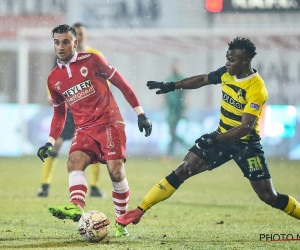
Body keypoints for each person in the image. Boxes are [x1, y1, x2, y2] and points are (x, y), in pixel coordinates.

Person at [116, 37, 300, 228]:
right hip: (221, 137)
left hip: (247, 146)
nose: (228, 63)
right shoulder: (226, 73)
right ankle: (140, 210)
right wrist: (172, 85)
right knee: (184, 169)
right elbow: (203, 79)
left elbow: (245, 128)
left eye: (233, 60)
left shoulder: (257, 88)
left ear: (246, 61)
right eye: (227, 58)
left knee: (268, 196)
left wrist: (214, 140)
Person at [36, 24, 152, 237]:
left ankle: (121, 220)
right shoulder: (53, 79)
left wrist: (140, 114)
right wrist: (50, 142)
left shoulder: (93, 60)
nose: (60, 47)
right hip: (84, 128)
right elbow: (59, 114)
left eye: (65, 41)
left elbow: (123, 85)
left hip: (110, 122)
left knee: (116, 172)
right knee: (74, 161)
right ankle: (76, 206)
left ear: (75, 43)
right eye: (56, 42)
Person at [37, 22, 106, 198]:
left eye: (83, 33)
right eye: (78, 34)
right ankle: (45, 185)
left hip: (89, 111)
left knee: (94, 148)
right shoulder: (63, 54)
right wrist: (49, 96)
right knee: (56, 145)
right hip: (69, 110)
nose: (81, 37)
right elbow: (54, 77)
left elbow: (107, 79)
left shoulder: (95, 55)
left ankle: (95, 187)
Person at [164, 58, 187, 158]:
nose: (175, 67)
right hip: (170, 109)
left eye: (177, 65)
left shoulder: (182, 79)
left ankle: (171, 153)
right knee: (171, 132)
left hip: (178, 109)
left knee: (172, 132)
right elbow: (165, 93)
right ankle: (184, 147)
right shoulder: (169, 79)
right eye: (174, 65)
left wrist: (184, 108)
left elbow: (185, 94)